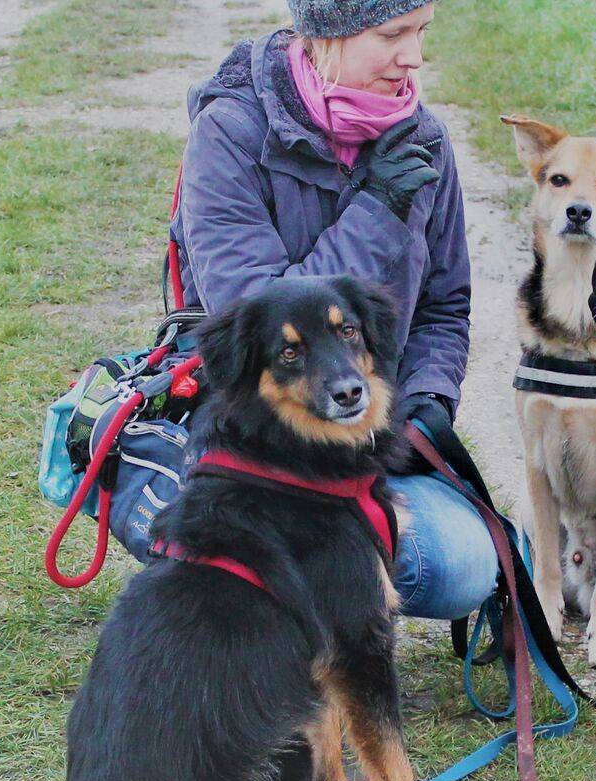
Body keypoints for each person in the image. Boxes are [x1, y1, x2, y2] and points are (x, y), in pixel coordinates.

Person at [175, 0, 497, 620]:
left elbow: (444, 304)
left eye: (421, 32)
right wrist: (378, 208)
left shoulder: (423, 139)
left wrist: (426, 399)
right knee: (291, 558)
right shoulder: (230, 131)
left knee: (461, 570)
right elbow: (257, 314)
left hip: (371, 436)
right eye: (392, 34)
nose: (413, 57)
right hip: (264, 440)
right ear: (326, 35)